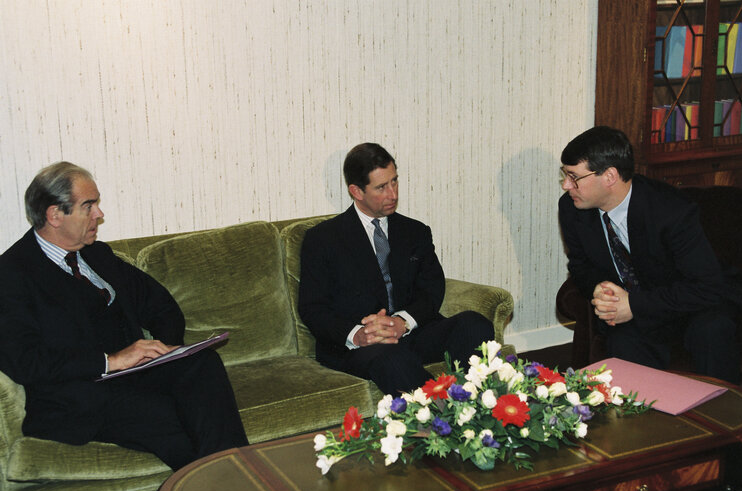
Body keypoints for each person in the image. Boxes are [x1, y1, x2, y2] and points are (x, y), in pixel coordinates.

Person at [0, 162, 248, 471]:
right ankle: (224, 485)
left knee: (203, 363)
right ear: (54, 215)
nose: (99, 215)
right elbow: (25, 360)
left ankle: (235, 481)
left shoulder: (97, 255)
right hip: (77, 393)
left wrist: (163, 354)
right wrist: (110, 361)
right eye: (88, 206)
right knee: (168, 415)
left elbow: (162, 306)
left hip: (133, 377)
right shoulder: (12, 274)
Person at [298, 143, 494, 396]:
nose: (393, 193)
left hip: (412, 332)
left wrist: (403, 321)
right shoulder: (323, 239)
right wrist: (358, 335)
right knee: (392, 359)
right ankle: (446, 413)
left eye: (395, 181)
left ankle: (483, 402)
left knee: (474, 324)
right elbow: (312, 308)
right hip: (363, 344)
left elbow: (432, 289)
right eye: (381, 187)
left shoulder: (415, 231)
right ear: (356, 191)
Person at [558, 126, 742, 383]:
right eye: (565, 175)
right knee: (622, 340)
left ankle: (719, 416)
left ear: (610, 176)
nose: (566, 185)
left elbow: (706, 287)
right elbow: (580, 265)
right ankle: (638, 418)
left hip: (691, 303)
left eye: (574, 176)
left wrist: (635, 305)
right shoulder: (572, 208)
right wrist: (600, 288)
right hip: (635, 307)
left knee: (713, 329)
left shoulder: (671, 212)